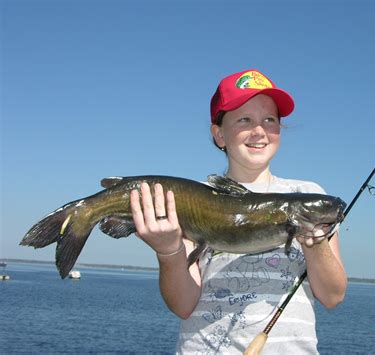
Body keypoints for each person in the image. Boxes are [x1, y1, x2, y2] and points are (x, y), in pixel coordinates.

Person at [130, 69, 347, 354]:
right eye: (244, 119)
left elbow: (332, 297)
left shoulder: (310, 194)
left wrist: (316, 244)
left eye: (270, 120)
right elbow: (183, 305)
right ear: (219, 134)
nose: (259, 130)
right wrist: (168, 251)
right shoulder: (190, 199)